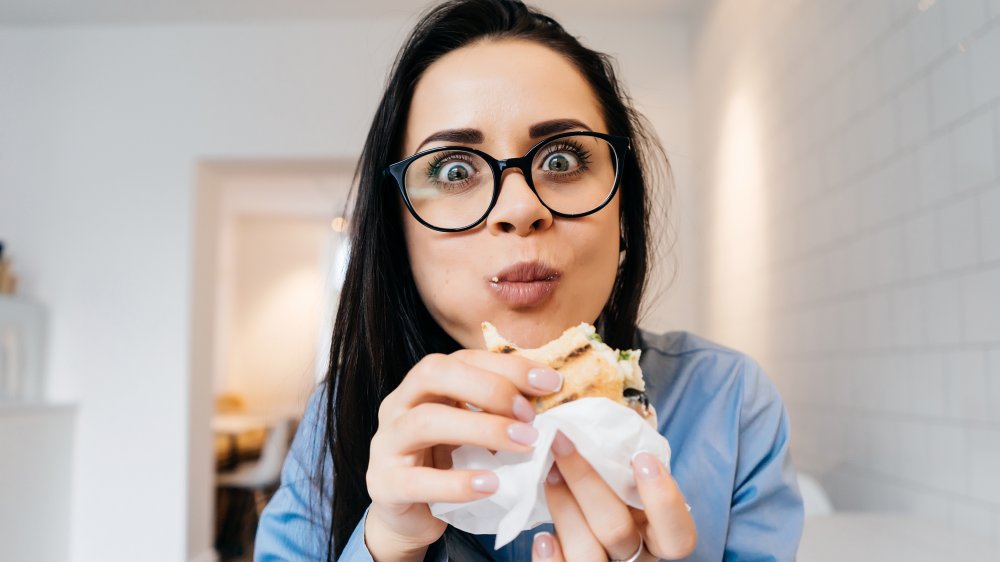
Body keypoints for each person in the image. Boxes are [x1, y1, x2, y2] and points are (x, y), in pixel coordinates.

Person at [254, 0, 804, 560]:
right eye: (453, 171)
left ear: (624, 210)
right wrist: (388, 542)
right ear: (398, 232)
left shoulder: (727, 404)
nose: (518, 208)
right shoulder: (341, 417)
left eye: (562, 160)